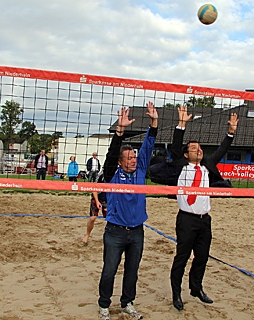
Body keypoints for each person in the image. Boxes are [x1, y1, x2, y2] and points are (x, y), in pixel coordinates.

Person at [169, 106, 238, 311]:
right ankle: (176, 293)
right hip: (186, 219)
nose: (197, 149)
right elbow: (174, 147)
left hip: (204, 219)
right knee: (182, 257)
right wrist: (181, 125)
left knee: (202, 256)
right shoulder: (181, 165)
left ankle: (196, 288)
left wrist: (230, 133)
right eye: (193, 148)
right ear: (185, 154)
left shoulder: (207, 165)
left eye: (199, 147)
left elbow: (221, 150)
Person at [98, 102, 158, 320]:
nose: (134, 160)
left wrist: (154, 123)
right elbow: (111, 156)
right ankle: (104, 305)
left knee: (132, 272)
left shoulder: (140, 169)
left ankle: (127, 304)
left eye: (134, 157)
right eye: (130, 158)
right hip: (115, 231)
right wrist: (119, 132)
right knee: (109, 270)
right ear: (121, 162)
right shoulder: (112, 174)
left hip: (137, 231)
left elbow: (148, 146)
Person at [82, 172, 107, 245]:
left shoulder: (117, 174)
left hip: (108, 199)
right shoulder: (101, 175)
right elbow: (94, 188)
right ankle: (87, 235)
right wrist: (97, 201)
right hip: (97, 198)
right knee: (92, 218)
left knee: (111, 219)